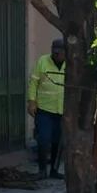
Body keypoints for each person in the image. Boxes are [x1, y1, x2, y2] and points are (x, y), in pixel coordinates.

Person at [28, 38, 67, 178]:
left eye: (59, 52)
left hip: (62, 110)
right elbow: (33, 82)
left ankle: (54, 171)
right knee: (43, 139)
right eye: (54, 51)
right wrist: (31, 101)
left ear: (66, 52)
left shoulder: (71, 65)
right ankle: (42, 170)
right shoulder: (42, 61)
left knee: (58, 140)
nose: (56, 54)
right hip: (44, 109)